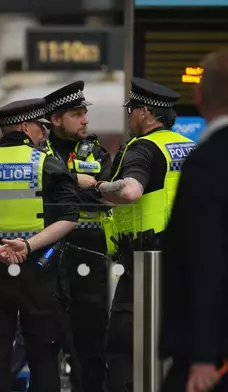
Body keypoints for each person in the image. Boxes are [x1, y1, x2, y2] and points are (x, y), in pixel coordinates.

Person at [0, 97, 80, 392]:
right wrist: (28, 245)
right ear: (25, 126)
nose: (44, 133)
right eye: (40, 127)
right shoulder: (47, 165)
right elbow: (70, 217)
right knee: (44, 357)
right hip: (39, 269)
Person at [92, 77, 196, 392]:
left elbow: (130, 190)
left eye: (132, 110)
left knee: (124, 344)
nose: (129, 116)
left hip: (145, 263)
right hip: (187, 260)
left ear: (146, 113)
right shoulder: (188, 146)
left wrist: (97, 187)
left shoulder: (143, 148)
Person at [160, 49, 228, 392]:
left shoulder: (208, 162)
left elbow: (205, 259)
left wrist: (203, 354)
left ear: (199, 95)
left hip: (213, 351)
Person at [43, 81, 112, 392]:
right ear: (56, 119)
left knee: (91, 342)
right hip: (46, 253)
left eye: (85, 113)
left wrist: (67, 187)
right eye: (76, 113)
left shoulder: (98, 153)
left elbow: (108, 195)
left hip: (90, 254)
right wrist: (75, 181)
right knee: (43, 340)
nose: (85, 119)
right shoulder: (37, 154)